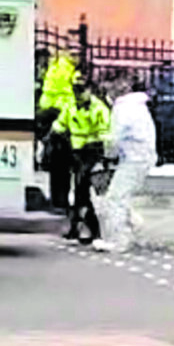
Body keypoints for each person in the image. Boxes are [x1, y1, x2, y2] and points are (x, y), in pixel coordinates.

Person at [93, 76, 157, 254]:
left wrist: (105, 154)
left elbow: (114, 138)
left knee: (115, 198)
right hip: (143, 157)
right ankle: (135, 231)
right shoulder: (139, 107)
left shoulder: (122, 109)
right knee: (123, 196)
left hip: (133, 158)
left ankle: (118, 240)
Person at [63, 77, 111, 243]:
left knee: (81, 190)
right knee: (78, 192)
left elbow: (105, 130)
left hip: (92, 151)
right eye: (75, 89)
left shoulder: (98, 108)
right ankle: (80, 229)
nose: (78, 93)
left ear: (89, 90)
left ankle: (90, 229)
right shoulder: (70, 105)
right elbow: (61, 123)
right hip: (76, 152)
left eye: (81, 89)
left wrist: (101, 152)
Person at [38, 52, 78, 213]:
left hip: (51, 114)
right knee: (64, 167)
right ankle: (62, 202)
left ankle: (58, 201)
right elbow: (69, 96)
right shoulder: (67, 70)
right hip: (62, 117)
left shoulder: (54, 69)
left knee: (57, 168)